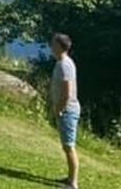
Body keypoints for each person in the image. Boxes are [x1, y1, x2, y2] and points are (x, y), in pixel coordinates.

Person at [49, 33, 81, 189]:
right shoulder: (61, 63)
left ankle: (73, 183)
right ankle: (69, 178)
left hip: (68, 110)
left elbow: (67, 93)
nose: (51, 46)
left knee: (69, 146)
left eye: (53, 44)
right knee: (66, 146)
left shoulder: (65, 65)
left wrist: (59, 110)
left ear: (59, 46)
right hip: (65, 109)